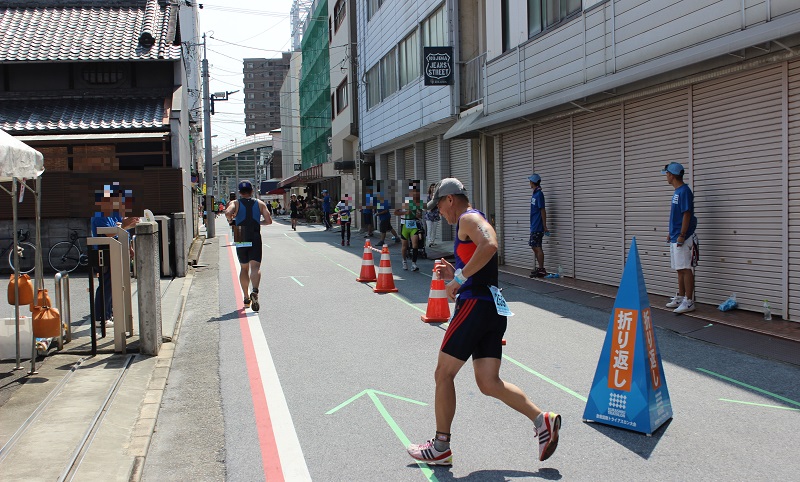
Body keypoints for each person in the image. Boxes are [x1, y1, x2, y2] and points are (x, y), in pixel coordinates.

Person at [407, 178, 561, 466]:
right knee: (489, 382)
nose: (440, 213)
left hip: (475, 306)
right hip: (491, 307)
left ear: (450, 199)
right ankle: (543, 420)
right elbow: (481, 260)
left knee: (443, 374)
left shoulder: (468, 218)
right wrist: (457, 271)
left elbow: (490, 245)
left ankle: (440, 446)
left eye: (439, 206)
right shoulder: (469, 223)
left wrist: (459, 280)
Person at [91, 182, 140, 328]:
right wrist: (124, 225)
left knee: (113, 284)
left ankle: (108, 313)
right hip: (103, 251)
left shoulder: (115, 212)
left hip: (115, 249)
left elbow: (122, 229)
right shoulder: (101, 212)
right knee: (106, 284)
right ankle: (101, 317)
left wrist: (129, 245)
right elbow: (108, 231)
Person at [225, 180, 272, 312]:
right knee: (255, 266)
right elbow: (269, 220)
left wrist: (231, 220)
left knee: (244, 267)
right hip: (255, 233)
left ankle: (246, 297)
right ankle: (255, 290)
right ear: (252, 191)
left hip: (241, 233)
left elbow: (228, 212)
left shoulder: (235, 203)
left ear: (239, 192)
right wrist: (258, 223)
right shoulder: (260, 203)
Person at [662, 162, 698, 314]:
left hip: (683, 237)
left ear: (672, 175)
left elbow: (687, 214)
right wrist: (672, 232)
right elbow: (677, 215)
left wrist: (682, 235)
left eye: (667, 174)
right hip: (676, 236)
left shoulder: (684, 191)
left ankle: (689, 301)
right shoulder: (677, 191)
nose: (666, 177)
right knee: (679, 269)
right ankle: (681, 297)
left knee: (685, 269)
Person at [395, 183, 424, 271]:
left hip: (413, 225)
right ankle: (404, 261)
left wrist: (419, 215)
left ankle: (414, 263)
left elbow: (420, 214)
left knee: (415, 244)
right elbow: (395, 213)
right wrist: (404, 213)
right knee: (405, 245)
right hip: (404, 225)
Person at [528, 173, 549, 278]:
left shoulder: (539, 194)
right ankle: (539, 268)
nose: (529, 183)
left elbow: (542, 210)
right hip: (534, 225)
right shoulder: (535, 194)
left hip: (538, 225)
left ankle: (541, 269)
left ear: (533, 182)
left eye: (530, 181)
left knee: (537, 246)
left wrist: (544, 225)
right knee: (533, 246)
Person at [424, 183, 440, 247]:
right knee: (429, 228)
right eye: (432, 187)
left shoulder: (437, 196)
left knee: (434, 229)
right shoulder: (427, 196)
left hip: (435, 214)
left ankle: (433, 241)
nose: (433, 189)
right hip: (428, 215)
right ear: (430, 188)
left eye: (434, 187)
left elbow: (438, 204)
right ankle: (430, 241)